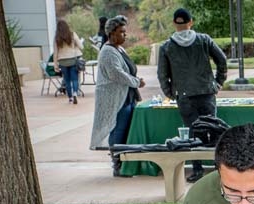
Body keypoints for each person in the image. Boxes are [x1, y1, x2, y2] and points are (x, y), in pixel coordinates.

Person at [157, 8, 228, 183]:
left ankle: (197, 170)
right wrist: (218, 83)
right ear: (191, 22)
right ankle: (219, 168)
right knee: (214, 130)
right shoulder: (204, 40)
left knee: (192, 133)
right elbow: (222, 60)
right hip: (207, 92)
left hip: (184, 96)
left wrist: (170, 93)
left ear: (174, 23)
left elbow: (162, 74)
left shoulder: (167, 46)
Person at [89, 15, 145, 177]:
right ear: (111, 33)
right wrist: (136, 82)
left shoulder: (119, 49)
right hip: (115, 99)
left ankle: (126, 162)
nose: (125, 35)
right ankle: (117, 164)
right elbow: (116, 74)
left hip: (126, 97)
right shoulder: (107, 52)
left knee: (127, 130)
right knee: (118, 131)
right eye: (122, 32)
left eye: (125, 32)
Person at [53, 19, 83, 105]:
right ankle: (75, 94)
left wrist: (55, 65)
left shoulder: (57, 38)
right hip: (73, 60)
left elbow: (55, 53)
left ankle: (70, 98)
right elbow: (81, 46)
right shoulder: (72, 34)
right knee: (74, 79)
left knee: (67, 80)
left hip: (62, 62)